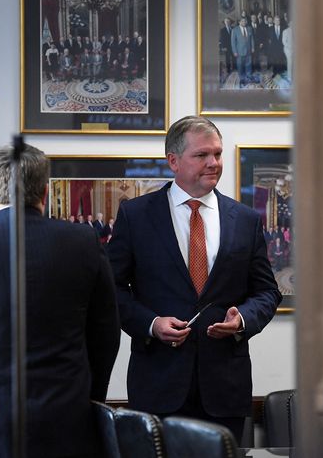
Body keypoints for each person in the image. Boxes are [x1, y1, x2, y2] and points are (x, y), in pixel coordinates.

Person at [107, 116, 282, 443]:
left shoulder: (244, 219)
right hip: (158, 385)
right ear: (173, 161)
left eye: (217, 154)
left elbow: (267, 292)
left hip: (224, 389)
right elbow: (110, 290)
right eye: (202, 155)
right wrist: (151, 323)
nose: (214, 163)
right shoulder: (136, 216)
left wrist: (243, 319)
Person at [0, 143, 120, 458]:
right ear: (45, 193)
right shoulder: (83, 242)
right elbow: (106, 334)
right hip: (67, 416)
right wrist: (90, 398)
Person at [230, 17, 255, 87]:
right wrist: (234, 51)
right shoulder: (235, 30)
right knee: (240, 65)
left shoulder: (249, 28)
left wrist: (253, 47)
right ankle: (241, 78)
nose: (244, 22)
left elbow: (252, 39)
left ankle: (249, 75)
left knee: (249, 64)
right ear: (239, 22)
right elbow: (233, 42)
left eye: (245, 21)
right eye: (243, 21)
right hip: (239, 51)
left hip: (249, 50)